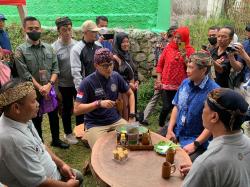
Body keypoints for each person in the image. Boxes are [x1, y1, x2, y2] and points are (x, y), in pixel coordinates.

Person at [0, 79, 83, 187]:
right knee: (78, 178)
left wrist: (61, 165)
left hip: (54, 175)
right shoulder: (14, 141)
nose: (38, 104)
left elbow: (40, 145)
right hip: (47, 183)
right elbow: (38, 183)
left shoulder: (22, 119)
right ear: (16, 108)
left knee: (78, 176)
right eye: (34, 101)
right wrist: (68, 186)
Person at [14, 16, 69, 149]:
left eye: (37, 28)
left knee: (54, 116)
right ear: (24, 30)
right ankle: (40, 144)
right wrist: (40, 88)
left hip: (50, 89)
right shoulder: (20, 51)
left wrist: (49, 85)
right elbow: (24, 73)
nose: (34, 30)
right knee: (36, 118)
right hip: (32, 92)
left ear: (41, 29)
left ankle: (56, 139)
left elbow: (56, 69)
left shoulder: (49, 48)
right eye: (31, 28)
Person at [182, 88, 250, 187]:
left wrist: (202, 170)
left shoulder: (207, 163)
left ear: (214, 117)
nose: (202, 111)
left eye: (204, 107)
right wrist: (202, 173)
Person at [73, 48, 135, 148]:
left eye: (111, 64)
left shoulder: (116, 76)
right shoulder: (87, 82)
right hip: (95, 124)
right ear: (96, 65)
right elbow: (76, 109)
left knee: (132, 139)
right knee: (101, 149)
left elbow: (131, 94)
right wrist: (98, 103)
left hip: (115, 120)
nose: (109, 68)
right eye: (105, 66)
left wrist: (132, 115)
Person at [165, 52, 219, 161]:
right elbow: (176, 106)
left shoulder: (214, 91)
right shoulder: (185, 83)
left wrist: (195, 144)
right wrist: (170, 129)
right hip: (177, 131)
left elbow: (212, 124)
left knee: (184, 164)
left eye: (191, 67)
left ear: (203, 70)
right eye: (187, 66)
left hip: (196, 139)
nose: (187, 70)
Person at [156, 26, 195, 128]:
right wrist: (159, 79)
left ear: (185, 39)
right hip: (166, 84)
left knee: (177, 108)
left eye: (179, 38)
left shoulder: (189, 50)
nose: (177, 40)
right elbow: (160, 64)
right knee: (166, 107)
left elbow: (192, 68)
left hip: (181, 85)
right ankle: (161, 125)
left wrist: (184, 57)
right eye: (175, 37)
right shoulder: (168, 48)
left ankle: (172, 127)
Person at [142, 26, 177, 126]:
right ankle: (145, 117)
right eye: (172, 36)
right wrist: (159, 79)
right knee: (157, 97)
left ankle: (169, 121)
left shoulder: (181, 45)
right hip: (162, 77)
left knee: (172, 102)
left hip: (175, 80)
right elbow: (159, 62)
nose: (174, 39)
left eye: (177, 37)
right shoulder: (164, 46)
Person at [52, 17, 78, 144]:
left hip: (78, 84)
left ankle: (80, 131)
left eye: (69, 29)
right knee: (66, 108)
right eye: (64, 30)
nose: (67, 32)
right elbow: (54, 69)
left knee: (80, 107)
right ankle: (68, 133)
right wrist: (56, 90)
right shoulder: (54, 48)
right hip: (63, 85)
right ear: (58, 31)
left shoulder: (78, 45)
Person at [113, 32, 138, 120]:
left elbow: (134, 69)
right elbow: (116, 75)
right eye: (123, 42)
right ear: (118, 43)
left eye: (127, 41)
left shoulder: (128, 55)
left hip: (133, 88)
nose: (126, 44)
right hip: (122, 90)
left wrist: (137, 81)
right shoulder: (115, 58)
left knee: (132, 110)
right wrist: (128, 83)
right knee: (124, 112)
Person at [70, 20, 102, 91]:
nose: (96, 33)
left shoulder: (99, 46)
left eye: (96, 31)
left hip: (100, 86)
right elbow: (76, 72)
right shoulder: (76, 49)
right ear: (85, 32)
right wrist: (80, 90)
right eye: (93, 32)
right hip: (86, 88)